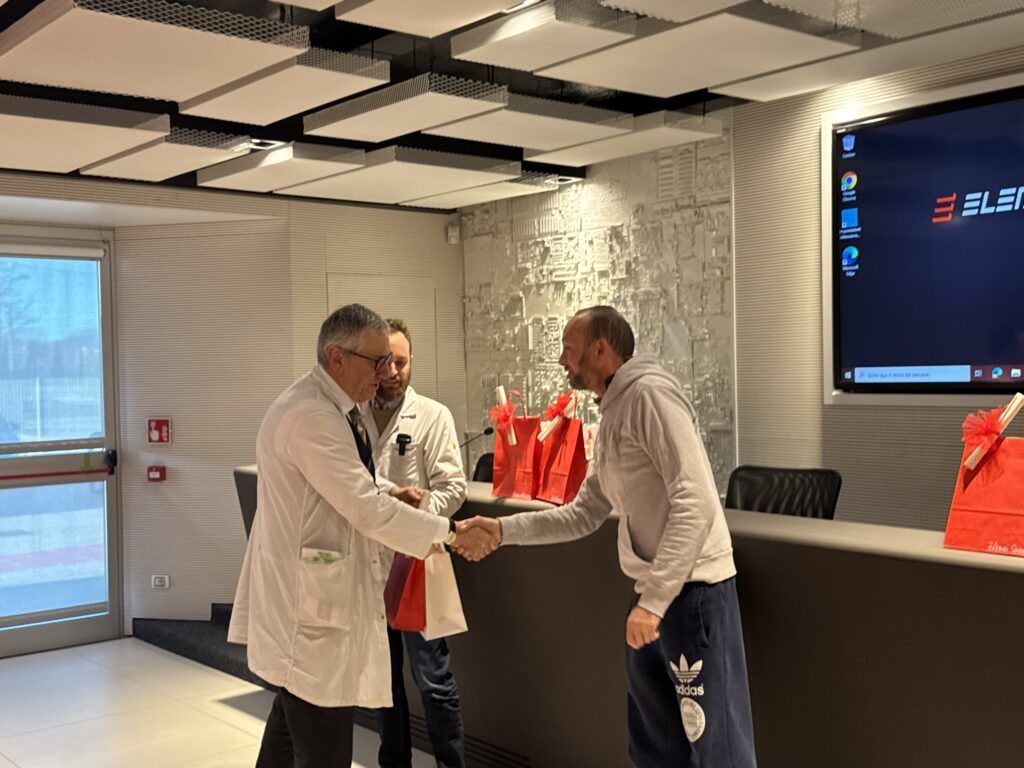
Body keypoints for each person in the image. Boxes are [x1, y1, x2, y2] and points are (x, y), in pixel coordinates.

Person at [459, 306, 757, 768]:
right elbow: (584, 513)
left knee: (717, 751)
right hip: (656, 599)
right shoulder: (616, 407)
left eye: (569, 349)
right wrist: (502, 530)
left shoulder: (650, 396)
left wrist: (653, 602)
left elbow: (696, 499)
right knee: (655, 747)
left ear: (601, 349)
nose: (562, 360)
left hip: (692, 596)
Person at [227, 303, 487, 768]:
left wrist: (391, 490)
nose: (385, 373)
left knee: (288, 732)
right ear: (337, 357)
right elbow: (364, 506)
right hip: (308, 613)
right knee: (322, 747)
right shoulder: (313, 415)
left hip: (310, 604)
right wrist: (449, 533)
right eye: (377, 361)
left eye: (392, 360)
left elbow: (350, 482)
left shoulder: (330, 407)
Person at [361, 318, 468, 768]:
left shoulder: (432, 415)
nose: (392, 372)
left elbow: (454, 488)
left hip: (417, 564)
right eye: (385, 362)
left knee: (434, 680)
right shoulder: (353, 415)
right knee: (384, 683)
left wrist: (412, 516)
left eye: (401, 363)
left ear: (412, 362)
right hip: (369, 566)